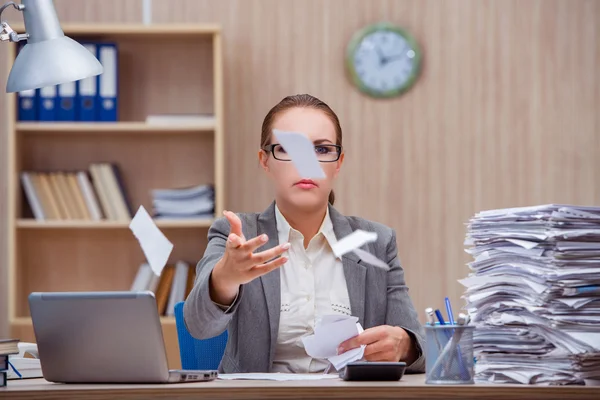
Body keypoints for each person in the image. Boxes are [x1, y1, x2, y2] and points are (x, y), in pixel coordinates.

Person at [184, 94, 425, 374]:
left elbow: (419, 350)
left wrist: (405, 346)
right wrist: (225, 279)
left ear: (339, 163)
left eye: (322, 150)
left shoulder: (377, 242)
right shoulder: (236, 234)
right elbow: (198, 327)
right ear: (265, 161)